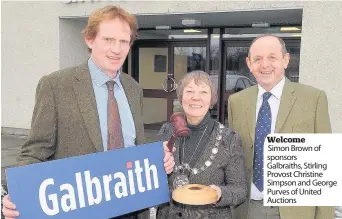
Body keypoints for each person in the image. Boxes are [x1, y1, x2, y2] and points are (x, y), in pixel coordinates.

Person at [2, 5, 175, 219]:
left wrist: (158, 161)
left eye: (123, 41)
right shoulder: (56, 86)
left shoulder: (133, 89)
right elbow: (35, 152)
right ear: (90, 40)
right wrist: (18, 195)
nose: (116, 49)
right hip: (79, 211)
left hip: (131, 207)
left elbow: (135, 146)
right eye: (108, 40)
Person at [227, 34, 334, 219]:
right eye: (258, 59)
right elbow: (232, 156)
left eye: (272, 57)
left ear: (285, 60)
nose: (265, 64)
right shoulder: (236, 101)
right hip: (247, 209)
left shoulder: (313, 99)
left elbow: (325, 165)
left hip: (295, 211)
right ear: (249, 63)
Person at [157, 71, 247, 219]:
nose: (196, 97)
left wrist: (219, 193)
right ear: (181, 97)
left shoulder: (229, 139)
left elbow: (240, 190)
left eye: (203, 92)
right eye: (189, 91)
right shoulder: (167, 131)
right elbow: (154, 178)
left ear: (212, 99)